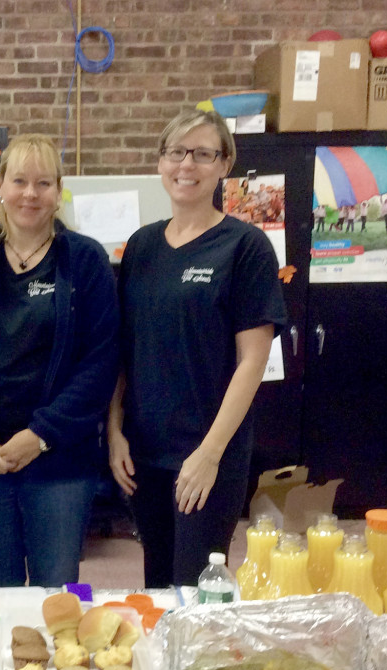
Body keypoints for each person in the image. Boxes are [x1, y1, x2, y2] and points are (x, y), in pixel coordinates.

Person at [0, 133, 119, 588]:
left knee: (59, 592)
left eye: (43, 183)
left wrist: (40, 436)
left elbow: (100, 362)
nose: (30, 194)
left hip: (60, 460)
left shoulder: (85, 261)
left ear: (58, 190)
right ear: (0, 184)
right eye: (19, 181)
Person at [108, 109, 287, 589]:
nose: (186, 165)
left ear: (224, 164)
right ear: (161, 162)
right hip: (145, 451)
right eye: (176, 153)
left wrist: (209, 454)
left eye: (203, 154)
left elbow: (253, 361)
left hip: (209, 453)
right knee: (157, 583)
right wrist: (115, 431)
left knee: (195, 586)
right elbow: (125, 349)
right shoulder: (141, 246)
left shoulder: (245, 247)